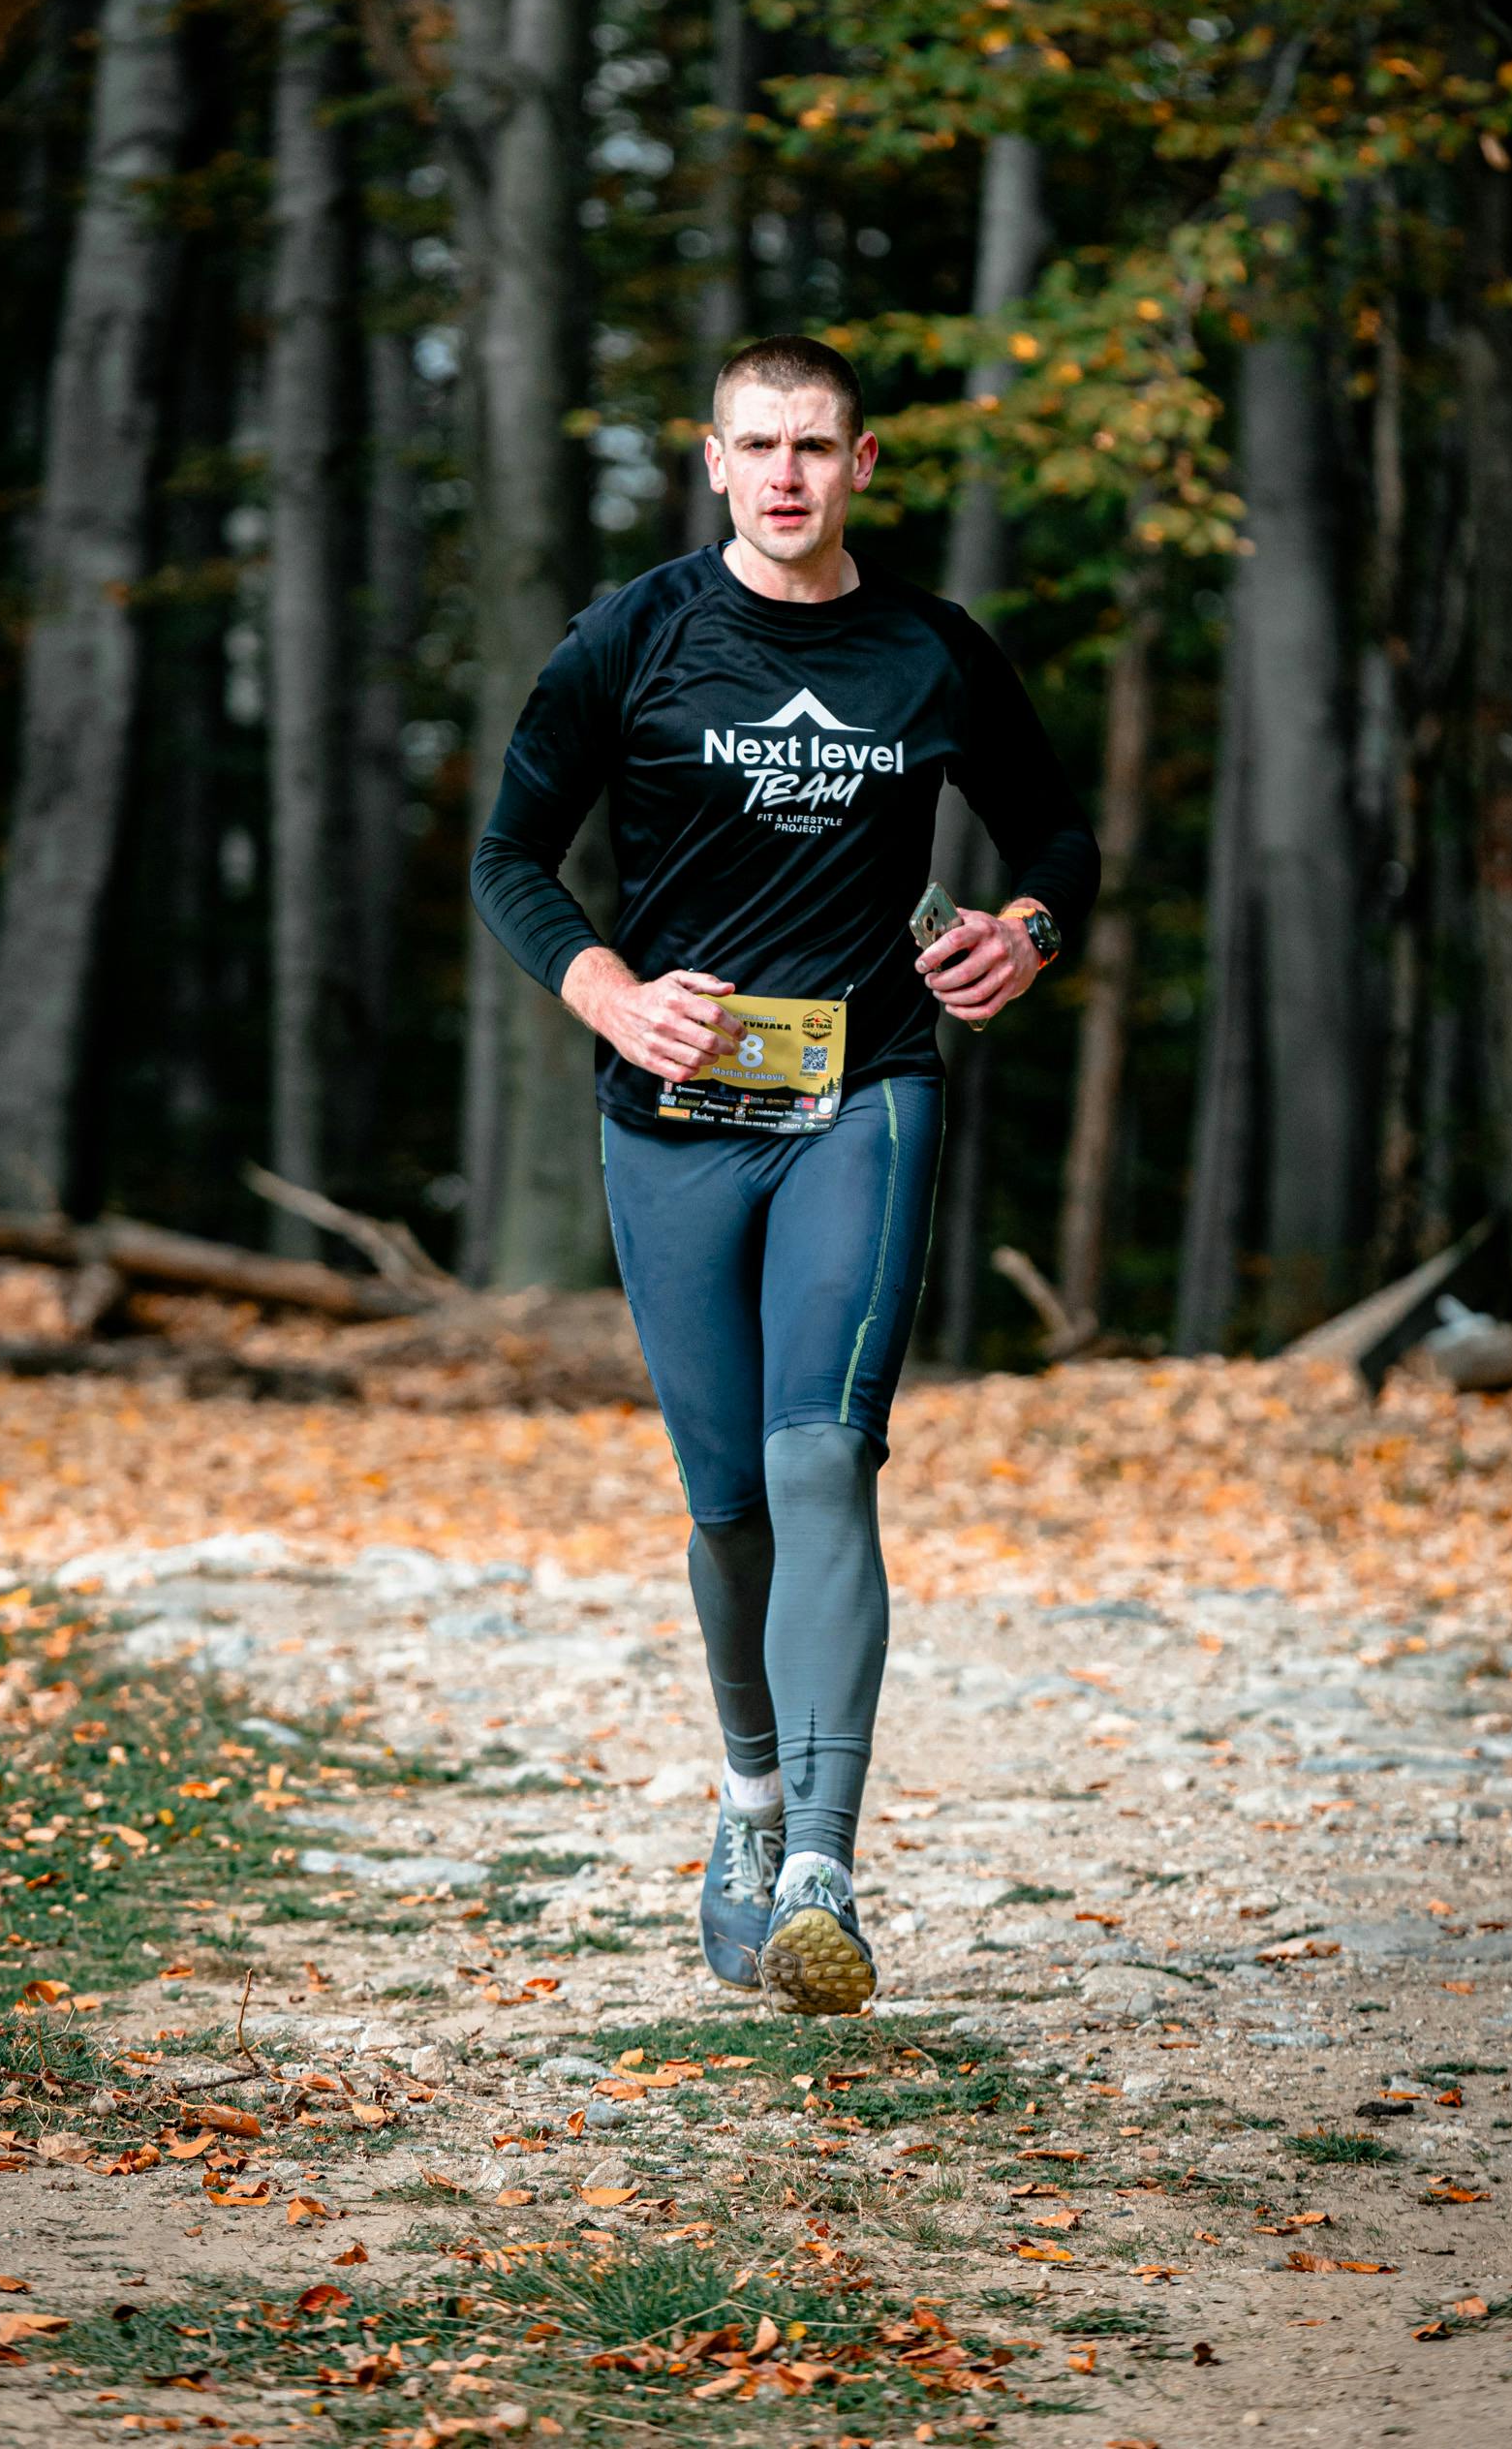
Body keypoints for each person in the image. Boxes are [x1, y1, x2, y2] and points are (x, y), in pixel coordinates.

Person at [471, 334, 1099, 2014]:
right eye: (758, 445)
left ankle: (822, 1864)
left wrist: (1027, 931)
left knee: (823, 1456)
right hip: (671, 1122)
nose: (788, 475)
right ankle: (749, 1795)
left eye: (817, 446)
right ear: (714, 460)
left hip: (863, 1094)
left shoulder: (930, 649)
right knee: (728, 1502)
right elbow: (509, 856)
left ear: (863, 464)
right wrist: (610, 993)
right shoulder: (635, 636)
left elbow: (1057, 835)